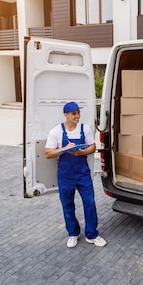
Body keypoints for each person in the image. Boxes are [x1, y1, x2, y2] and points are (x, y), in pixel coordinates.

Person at [45, 101, 107, 248]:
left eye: (78, 112)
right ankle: (73, 233)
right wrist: (64, 149)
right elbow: (48, 153)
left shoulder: (85, 130)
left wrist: (81, 152)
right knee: (67, 205)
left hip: (82, 174)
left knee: (90, 203)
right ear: (65, 115)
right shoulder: (56, 132)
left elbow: (92, 146)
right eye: (74, 113)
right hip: (66, 175)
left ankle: (92, 235)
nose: (77, 116)